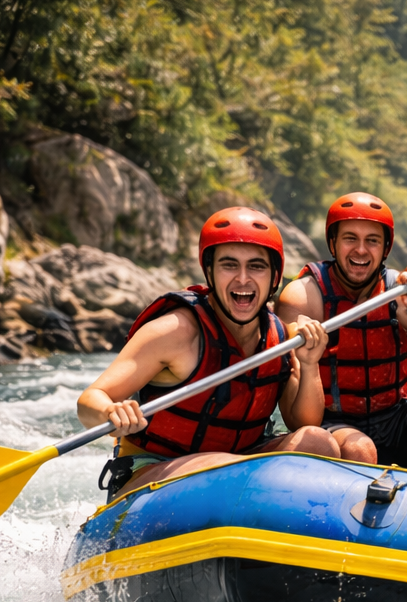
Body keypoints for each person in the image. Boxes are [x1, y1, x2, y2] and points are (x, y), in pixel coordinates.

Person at [79, 207, 338, 500]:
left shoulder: (279, 338)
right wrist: (109, 411)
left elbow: (304, 423)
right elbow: (89, 400)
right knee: (221, 467)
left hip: (239, 462)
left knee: (318, 443)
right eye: (229, 265)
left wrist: (309, 363)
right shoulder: (175, 331)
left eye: (256, 266)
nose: (243, 279)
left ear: (274, 276)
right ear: (210, 272)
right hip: (155, 472)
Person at [277, 192, 407, 477]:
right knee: (360, 448)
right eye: (350, 238)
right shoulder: (303, 296)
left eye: (372, 241)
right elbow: (295, 415)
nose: (361, 250)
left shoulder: (397, 288)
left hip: (395, 418)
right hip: (335, 424)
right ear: (332, 243)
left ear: (385, 248)